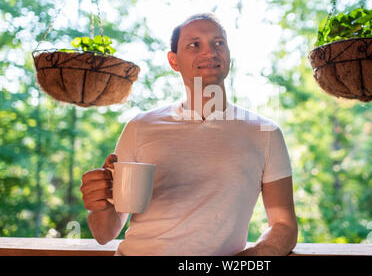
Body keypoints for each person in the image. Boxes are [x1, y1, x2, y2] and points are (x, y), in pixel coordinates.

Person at [80, 13, 298, 255]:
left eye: (219, 43)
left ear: (228, 56)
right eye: (194, 45)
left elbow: (284, 226)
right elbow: (104, 233)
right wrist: (98, 205)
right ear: (174, 61)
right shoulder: (140, 127)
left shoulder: (265, 133)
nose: (210, 52)